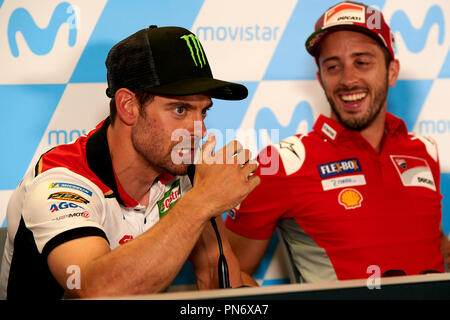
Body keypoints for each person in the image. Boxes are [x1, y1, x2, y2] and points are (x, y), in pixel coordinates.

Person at [0, 25, 260, 299]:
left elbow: (218, 280)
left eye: (203, 112)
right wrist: (200, 201)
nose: (200, 131)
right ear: (128, 107)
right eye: (180, 110)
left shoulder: (185, 172)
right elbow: (97, 290)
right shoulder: (62, 180)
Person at [225, 1, 449, 283]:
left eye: (362, 62)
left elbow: (430, 244)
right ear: (320, 78)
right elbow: (225, 275)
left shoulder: (424, 150)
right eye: (333, 67)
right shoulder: (283, 163)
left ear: (392, 71)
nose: (348, 79)